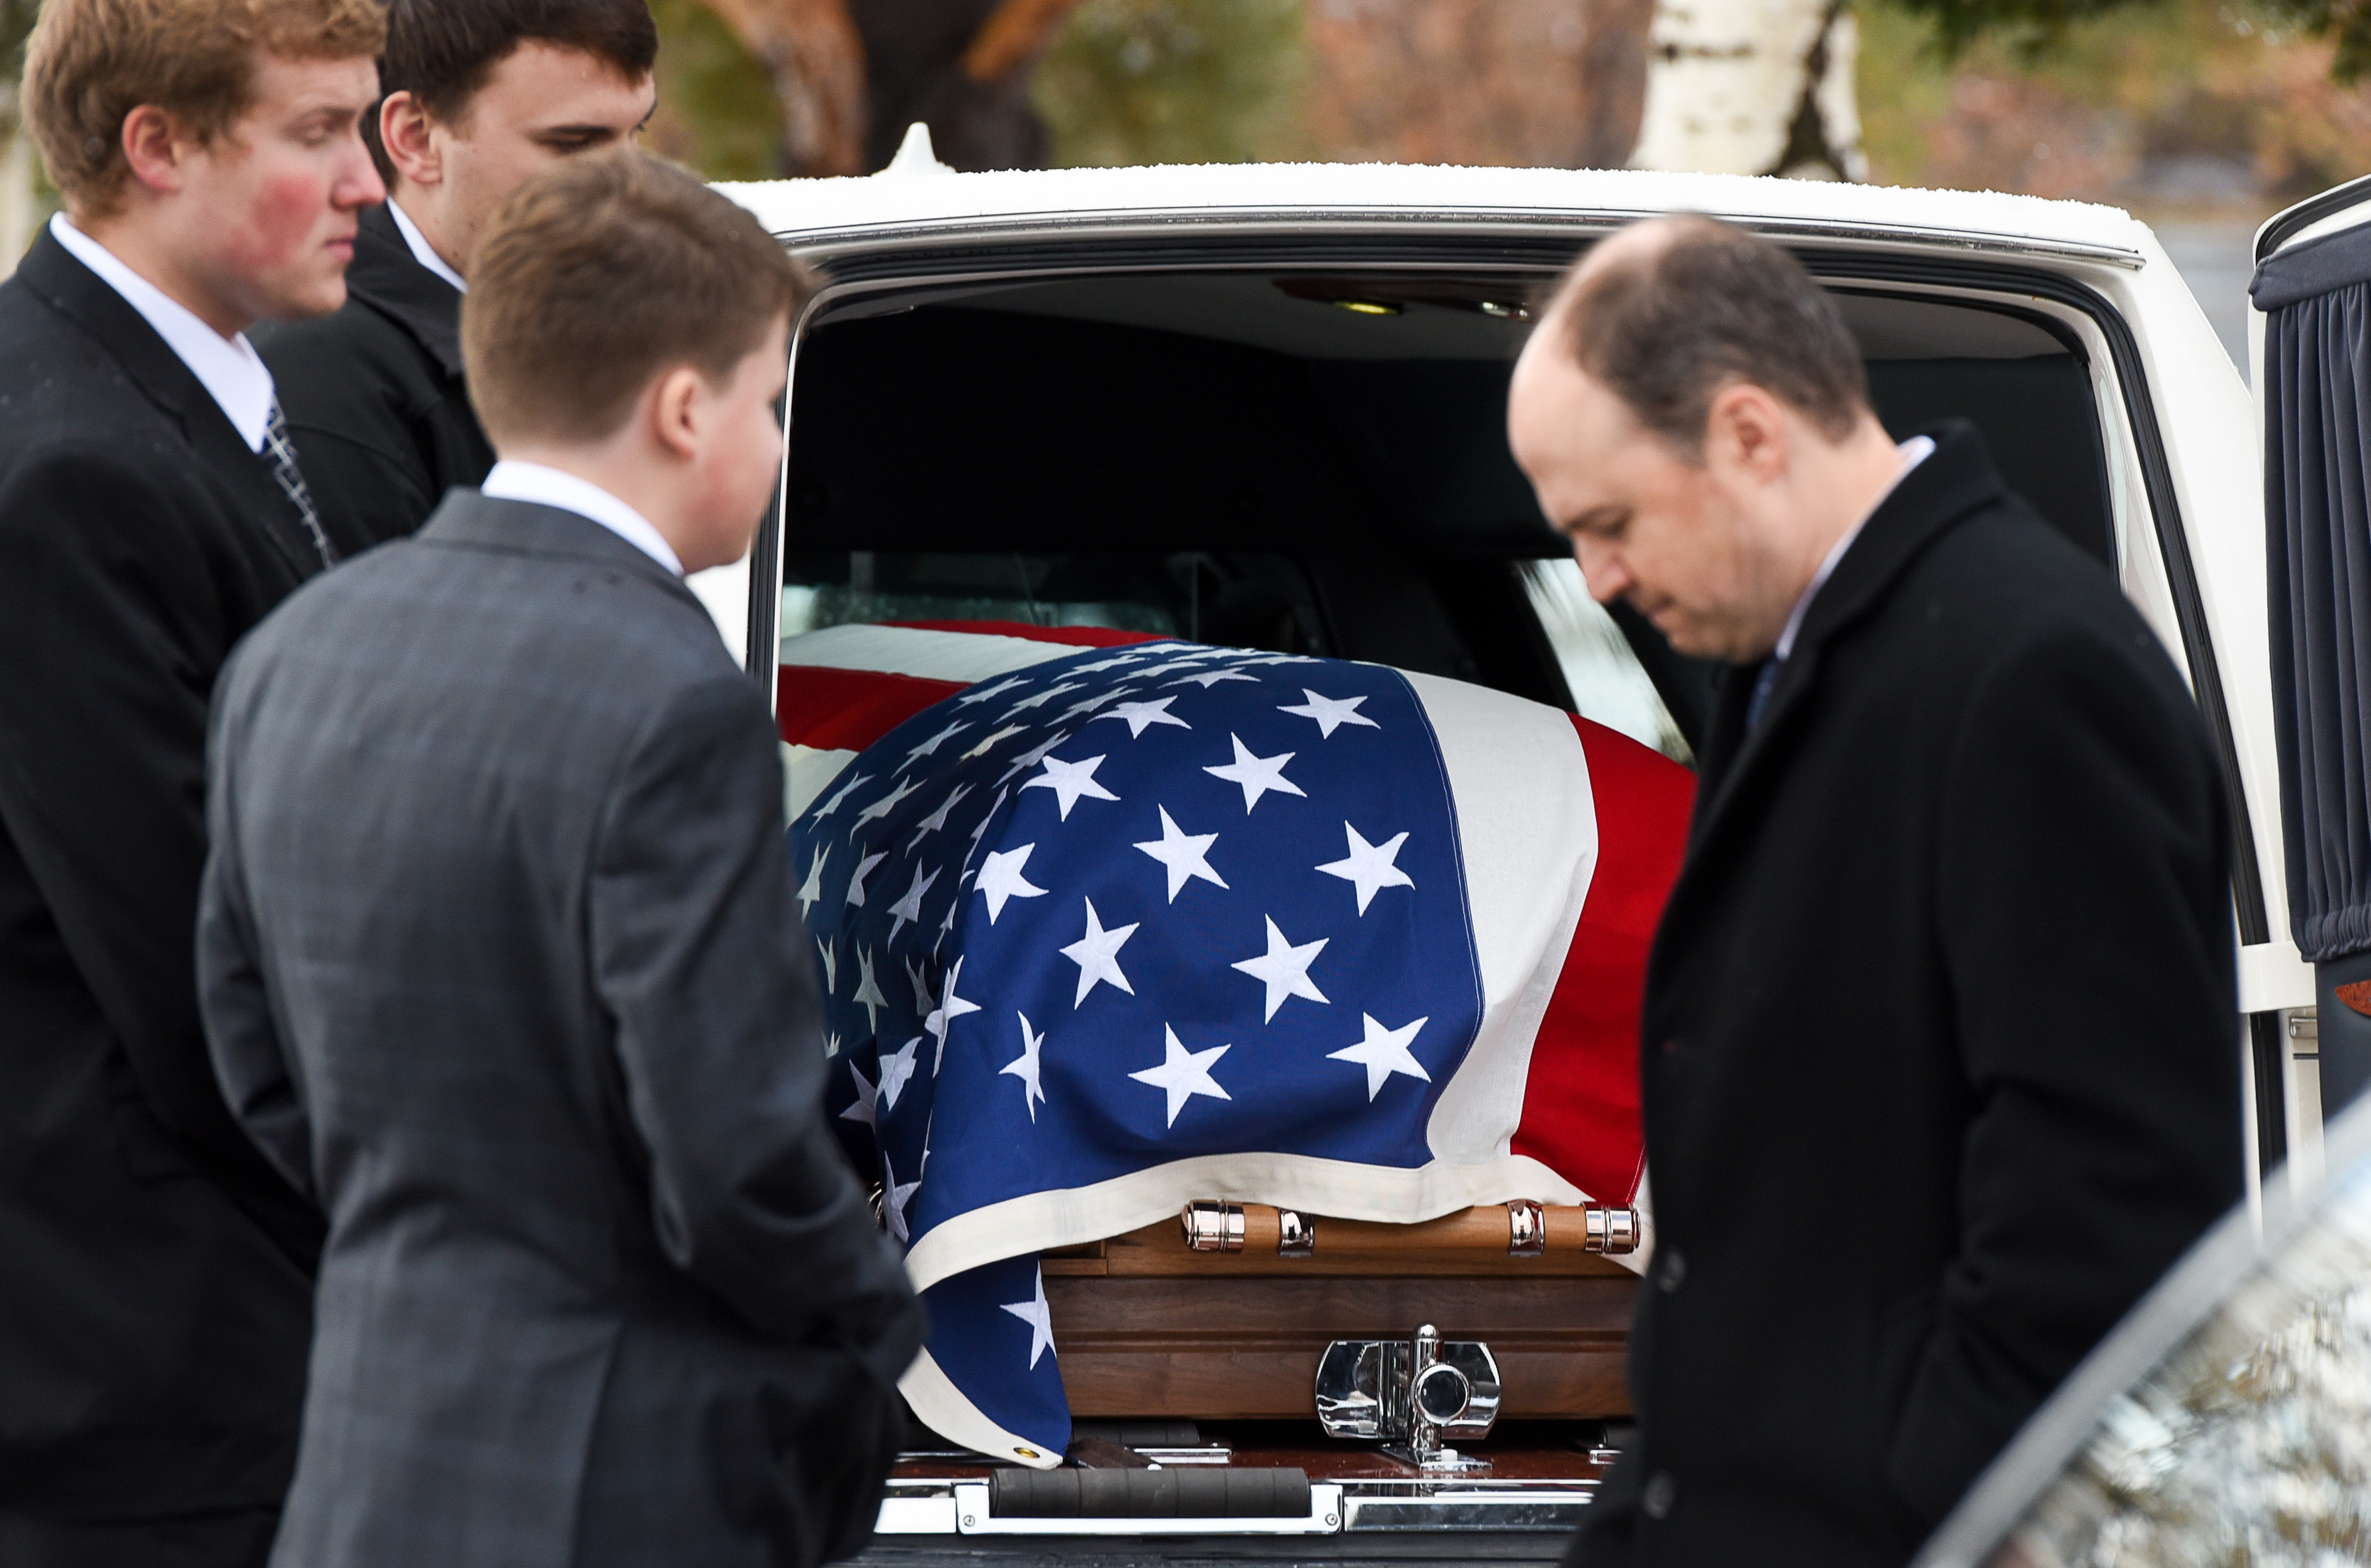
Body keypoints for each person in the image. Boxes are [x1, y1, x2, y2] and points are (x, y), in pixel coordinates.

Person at [199, 148, 926, 1568]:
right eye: (770, 403)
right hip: (625, 1481)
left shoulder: (290, 658)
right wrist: (875, 1318)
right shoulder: (671, 700)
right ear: (681, 408)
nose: (780, 446)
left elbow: (257, 1068)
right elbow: (734, 1160)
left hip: (367, 1455)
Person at [1506, 216, 2242, 1566]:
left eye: (1608, 524)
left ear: (1749, 434)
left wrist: (1908, 1494)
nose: (1597, 578)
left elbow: (2107, 1231)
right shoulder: (1794, 667)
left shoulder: (2033, 675)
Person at [0, 2, 385, 1562]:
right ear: (155, 147)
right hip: (158, 1371)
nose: (369, 178)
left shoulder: (192, 388)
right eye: (315, 133)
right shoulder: (69, 470)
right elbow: (193, 989)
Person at [253, 0, 657, 555]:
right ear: (416, 138)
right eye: (575, 143)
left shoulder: (625, 319)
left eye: (637, 131)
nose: (631, 187)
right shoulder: (327, 383)